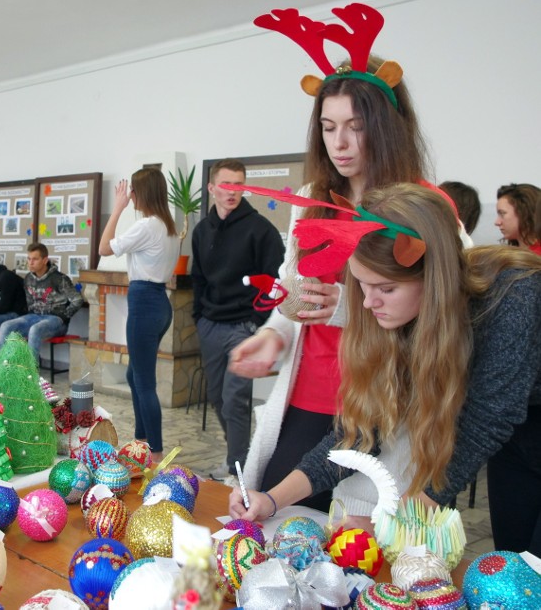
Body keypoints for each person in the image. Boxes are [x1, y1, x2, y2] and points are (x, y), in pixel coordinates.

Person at [228, 5, 467, 511]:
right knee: (282, 525)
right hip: (307, 392)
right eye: (328, 126)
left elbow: (452, 309)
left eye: (354, 127)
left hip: (384, 407)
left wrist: (345, 304)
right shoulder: (312, 197)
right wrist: (275, 333)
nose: (339, 143)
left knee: (363, 546)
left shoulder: (426, 206)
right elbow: (293, 294)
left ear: (385, 127)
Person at [229, 183, 541, 554]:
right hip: (515, 433)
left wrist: (392, 523)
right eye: (361, 285)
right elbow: (363, 429)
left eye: (386, 289)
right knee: (517, 555)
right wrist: (271, 499)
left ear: (433, 277)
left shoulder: (515, 296)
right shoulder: (403, 315)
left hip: (522, 415)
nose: (368, 302)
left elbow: (482, 425)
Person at [191, 158, 285, 482]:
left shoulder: (262, 230)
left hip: (244, 326)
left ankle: (239, 470)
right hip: (211, 325)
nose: (232, 192)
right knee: (218, 398)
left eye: (239, 185)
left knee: (235, 401)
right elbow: (199, 278)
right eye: (226, 185)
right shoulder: (202, 231)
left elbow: (276, 280)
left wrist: (258, 323)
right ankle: (237, 461)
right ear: (212, 188)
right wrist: (199, 318)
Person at [99, 168, 180, 462]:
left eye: (132, 191)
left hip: (145, 302)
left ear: (141, 193)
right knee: (135, 375)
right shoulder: (168, 226)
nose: (129, 196)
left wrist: (117, 208)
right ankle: (141, 440)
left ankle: (156, 454)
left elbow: (104, 247)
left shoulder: (148, 226)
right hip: (158, 302)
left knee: (144, 381)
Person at [0, 242, 83, 358]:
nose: (30, 262)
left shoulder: (59, 279)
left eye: (35, 259)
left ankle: (30, 373)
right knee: (6, 326)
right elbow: (28, 302)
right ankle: (4, 369)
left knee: (35, 330)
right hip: (34, 317)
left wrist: (64, 316)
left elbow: (77, 299)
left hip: (55, 320)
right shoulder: (28, 278)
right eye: (29, 259)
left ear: (45, 260)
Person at [495, 183, 541, 254]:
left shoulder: (535, 258)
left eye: (502, 213)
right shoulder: (513, 254)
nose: (497, 222)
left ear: (524, 212)